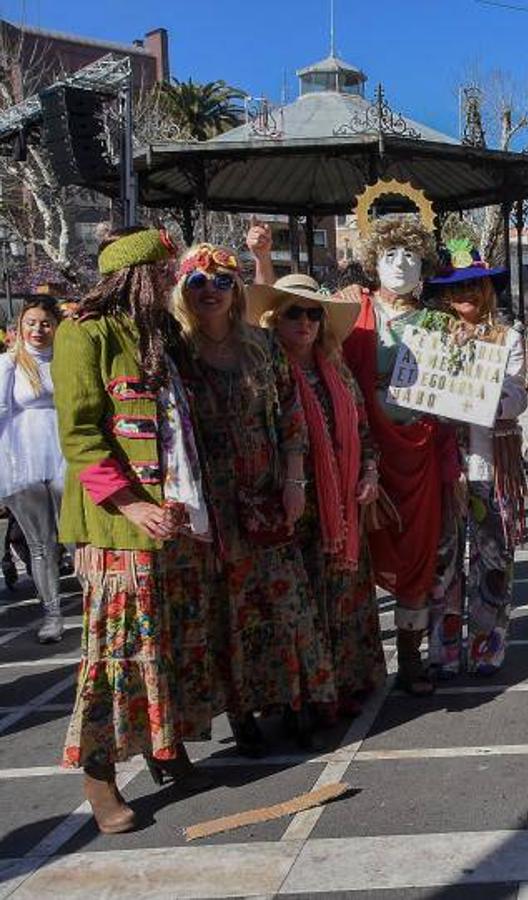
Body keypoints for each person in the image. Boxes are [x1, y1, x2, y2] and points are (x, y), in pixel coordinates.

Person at [53, 227, 212, 833]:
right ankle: (99, 777)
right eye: (163, 273)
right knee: (115, 657)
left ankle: (165, 748)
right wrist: (128, 504)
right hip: (116, 530)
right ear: (136, 276)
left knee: (165, 647)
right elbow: (81, 435)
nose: (172, 282)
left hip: (168, 522)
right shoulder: (83, 333)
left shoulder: (160, 336)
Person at [170, 244, 333, 753]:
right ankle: (243, 713)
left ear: (236, 290)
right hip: (211, 501)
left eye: (221, 282)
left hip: (265, 490)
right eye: (199, 283)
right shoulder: (175, 352)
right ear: (183, 292)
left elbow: (291, 417)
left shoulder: (263, 346)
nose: (211, 291)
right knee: (231, 609)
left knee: (286, 600)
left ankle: (296, 700)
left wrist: (293, 480)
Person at [334, 211, 462, 696]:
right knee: (359, 551)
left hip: (420, 447)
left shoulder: (438, 321)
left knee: (417, 550)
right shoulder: (352, 310)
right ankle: (359, 660)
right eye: (390, 254)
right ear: (373, 261)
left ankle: (410, 656)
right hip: (364, 448)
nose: (400, 264)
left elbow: (456, 386)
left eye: (410, 254)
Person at [249, 274, 386, 718]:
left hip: (342, 505)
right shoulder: (264, 372)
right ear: (275, 319)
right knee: (300, 607)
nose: (305, 322)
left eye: (313, 314)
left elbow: (363, 429)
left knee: (344, 599)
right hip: (293, 509)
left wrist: (369, 472)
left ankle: (345, 682)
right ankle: (309, 693)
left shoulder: (337, 369)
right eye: (294, 312)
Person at [420, 240, 528, 677]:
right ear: (447, 294)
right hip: (444, 465)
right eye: (457, 287)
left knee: (492, 557)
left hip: (491, 461)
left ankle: (487, 645)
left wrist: (481, 396)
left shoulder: (509, 338)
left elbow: (518, 395)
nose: (465, 294)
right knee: (443, 558)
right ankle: (443, 650)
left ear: (487, 289)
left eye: (474, 286)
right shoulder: (432, 338)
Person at [0, 297, 66, 643]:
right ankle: (52, 616)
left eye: (45, 323)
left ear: (56, 325)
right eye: (31, 322)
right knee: (41, 543)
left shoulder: (66, 358)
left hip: (64, 452)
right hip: (22, 456)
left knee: (74, 537)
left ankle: (95, 607)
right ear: (20, 326)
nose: (38, 330)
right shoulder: (9, 363)